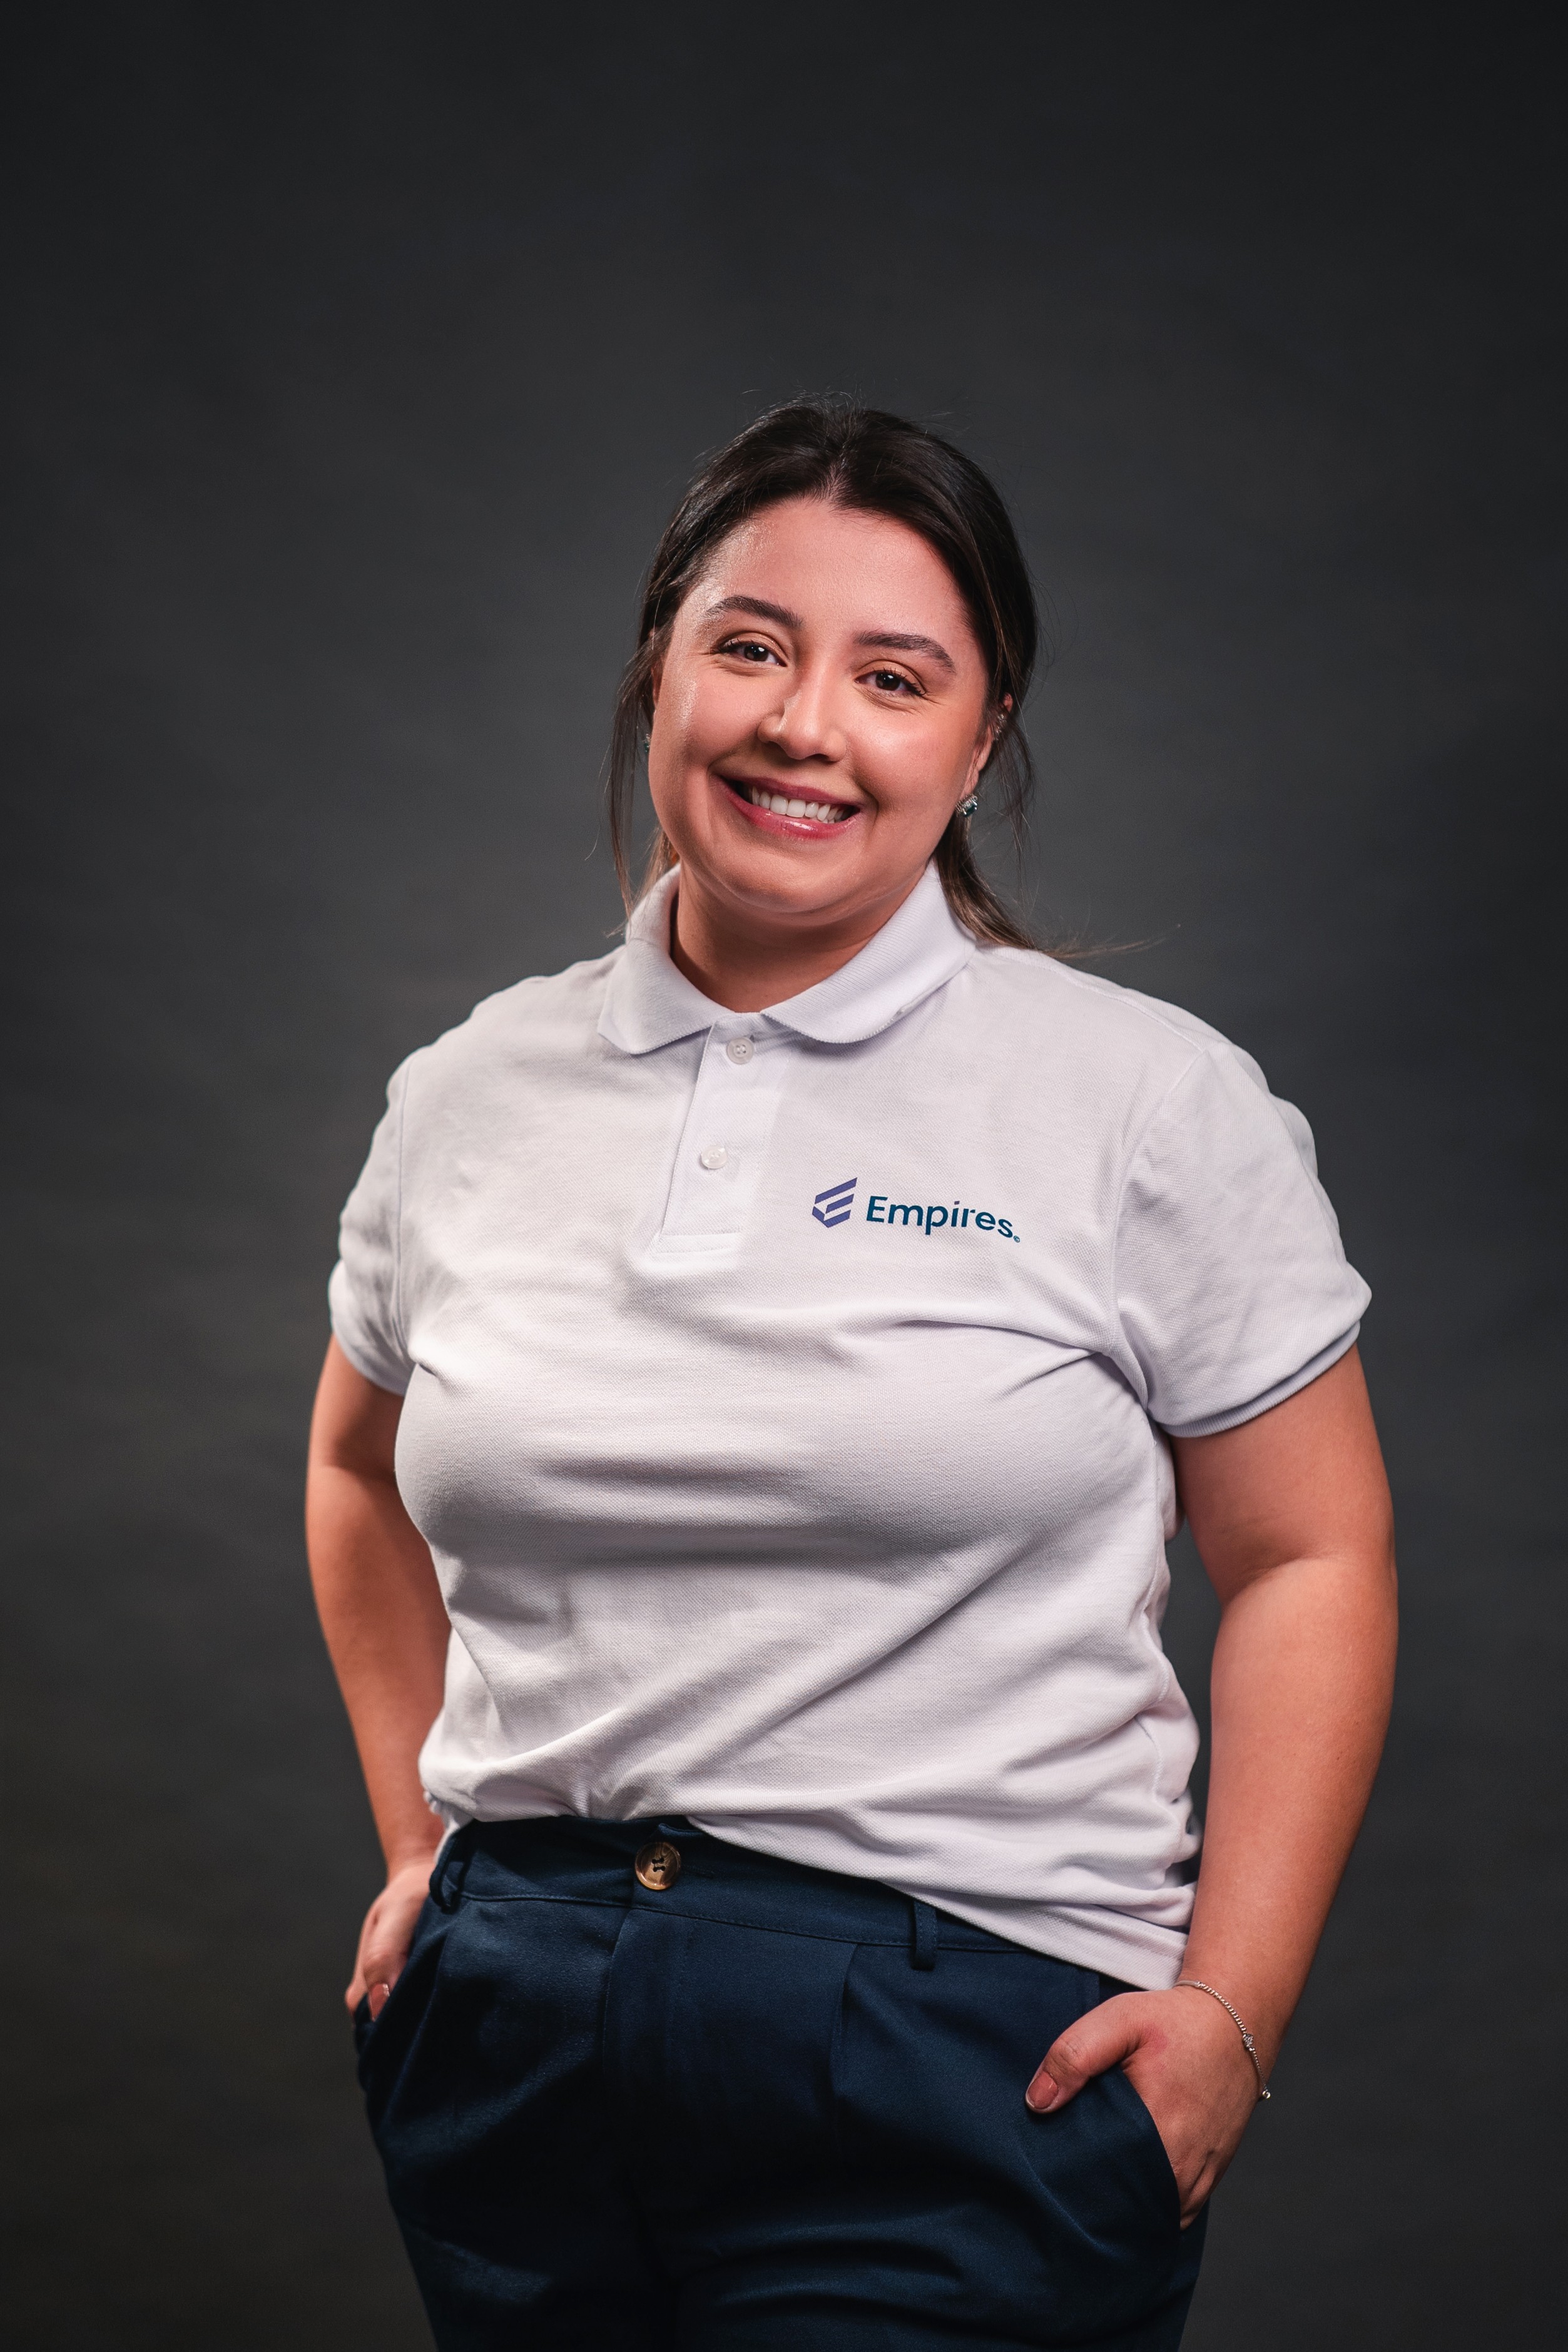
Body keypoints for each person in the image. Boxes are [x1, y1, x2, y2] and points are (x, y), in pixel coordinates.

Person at [305, 400, 1397, 2351]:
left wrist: (1231, 2013)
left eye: (895, 679)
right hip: (518, 2040)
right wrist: (420, 1851)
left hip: (960, 2048)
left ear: (976, 747)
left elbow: (1310, 1556)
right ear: (660, 669)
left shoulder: (1141, 1098)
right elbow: (355, 1470)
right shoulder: (470, 1092)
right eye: (749, 645)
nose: (806, 725)